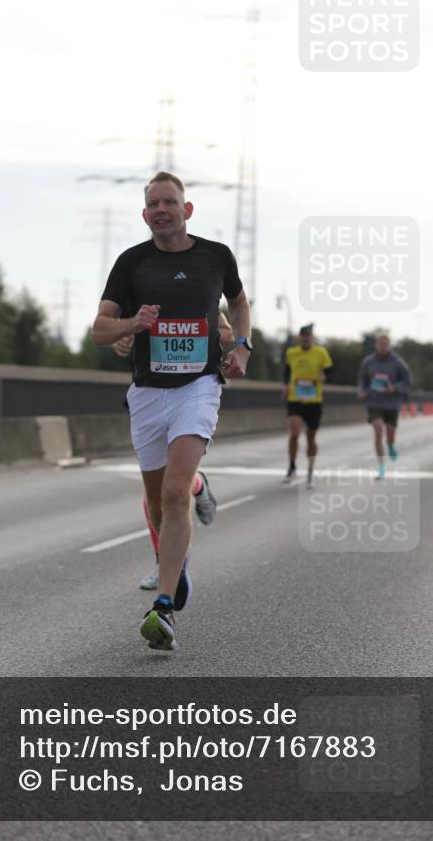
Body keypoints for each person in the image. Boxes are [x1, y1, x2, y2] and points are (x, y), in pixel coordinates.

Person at [92, 172, 251, 651]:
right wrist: (131, 324)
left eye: (170, 202)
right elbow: (100, 329)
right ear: (145, 215)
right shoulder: (131, 263)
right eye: (153, 204)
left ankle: (164, 607)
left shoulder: (216, 256)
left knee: (175, 495)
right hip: (147, 392)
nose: (162, 209)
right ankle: (176, 557)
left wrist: (242, 345)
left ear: (187, 209)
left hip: (198, 387)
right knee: (160, 501)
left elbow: (239, 303)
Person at [112, 312, 234, 591]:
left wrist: (188, 333)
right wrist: (122, 337)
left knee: (167, 489)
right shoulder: (143, 294)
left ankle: (165, 563)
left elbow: (226, 333)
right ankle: (198, 485)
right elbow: (115, 334)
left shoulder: (196, 288)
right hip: (150, 396)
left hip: (190, 396)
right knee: (156, 492)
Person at [281, 324, 333, 490]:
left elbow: (330, 372)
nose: (305, 338)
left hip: (314, 399)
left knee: (311, 437)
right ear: (299, 338)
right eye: (303, 336)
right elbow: (287, 370)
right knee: (294, 432)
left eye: (308, 336)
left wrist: (324, 376)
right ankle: (292, 467)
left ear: (312, 337)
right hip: (295, 397)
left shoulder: (321, 352)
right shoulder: (291, 353)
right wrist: (285, 385)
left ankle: (310, 470)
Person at [357, 333, 412, 479]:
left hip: (392, 402)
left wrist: (394, 387)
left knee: (390, 431)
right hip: (374, 401)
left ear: (389, 346)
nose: (382, 347)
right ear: (376, 345)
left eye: (385, 344)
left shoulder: (398, 362)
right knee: (378, 428)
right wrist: (361, 391)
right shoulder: (368, 362)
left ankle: (391, 445)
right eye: (380, 344)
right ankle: (381, 467)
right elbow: (362, 379)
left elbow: (407, 381)